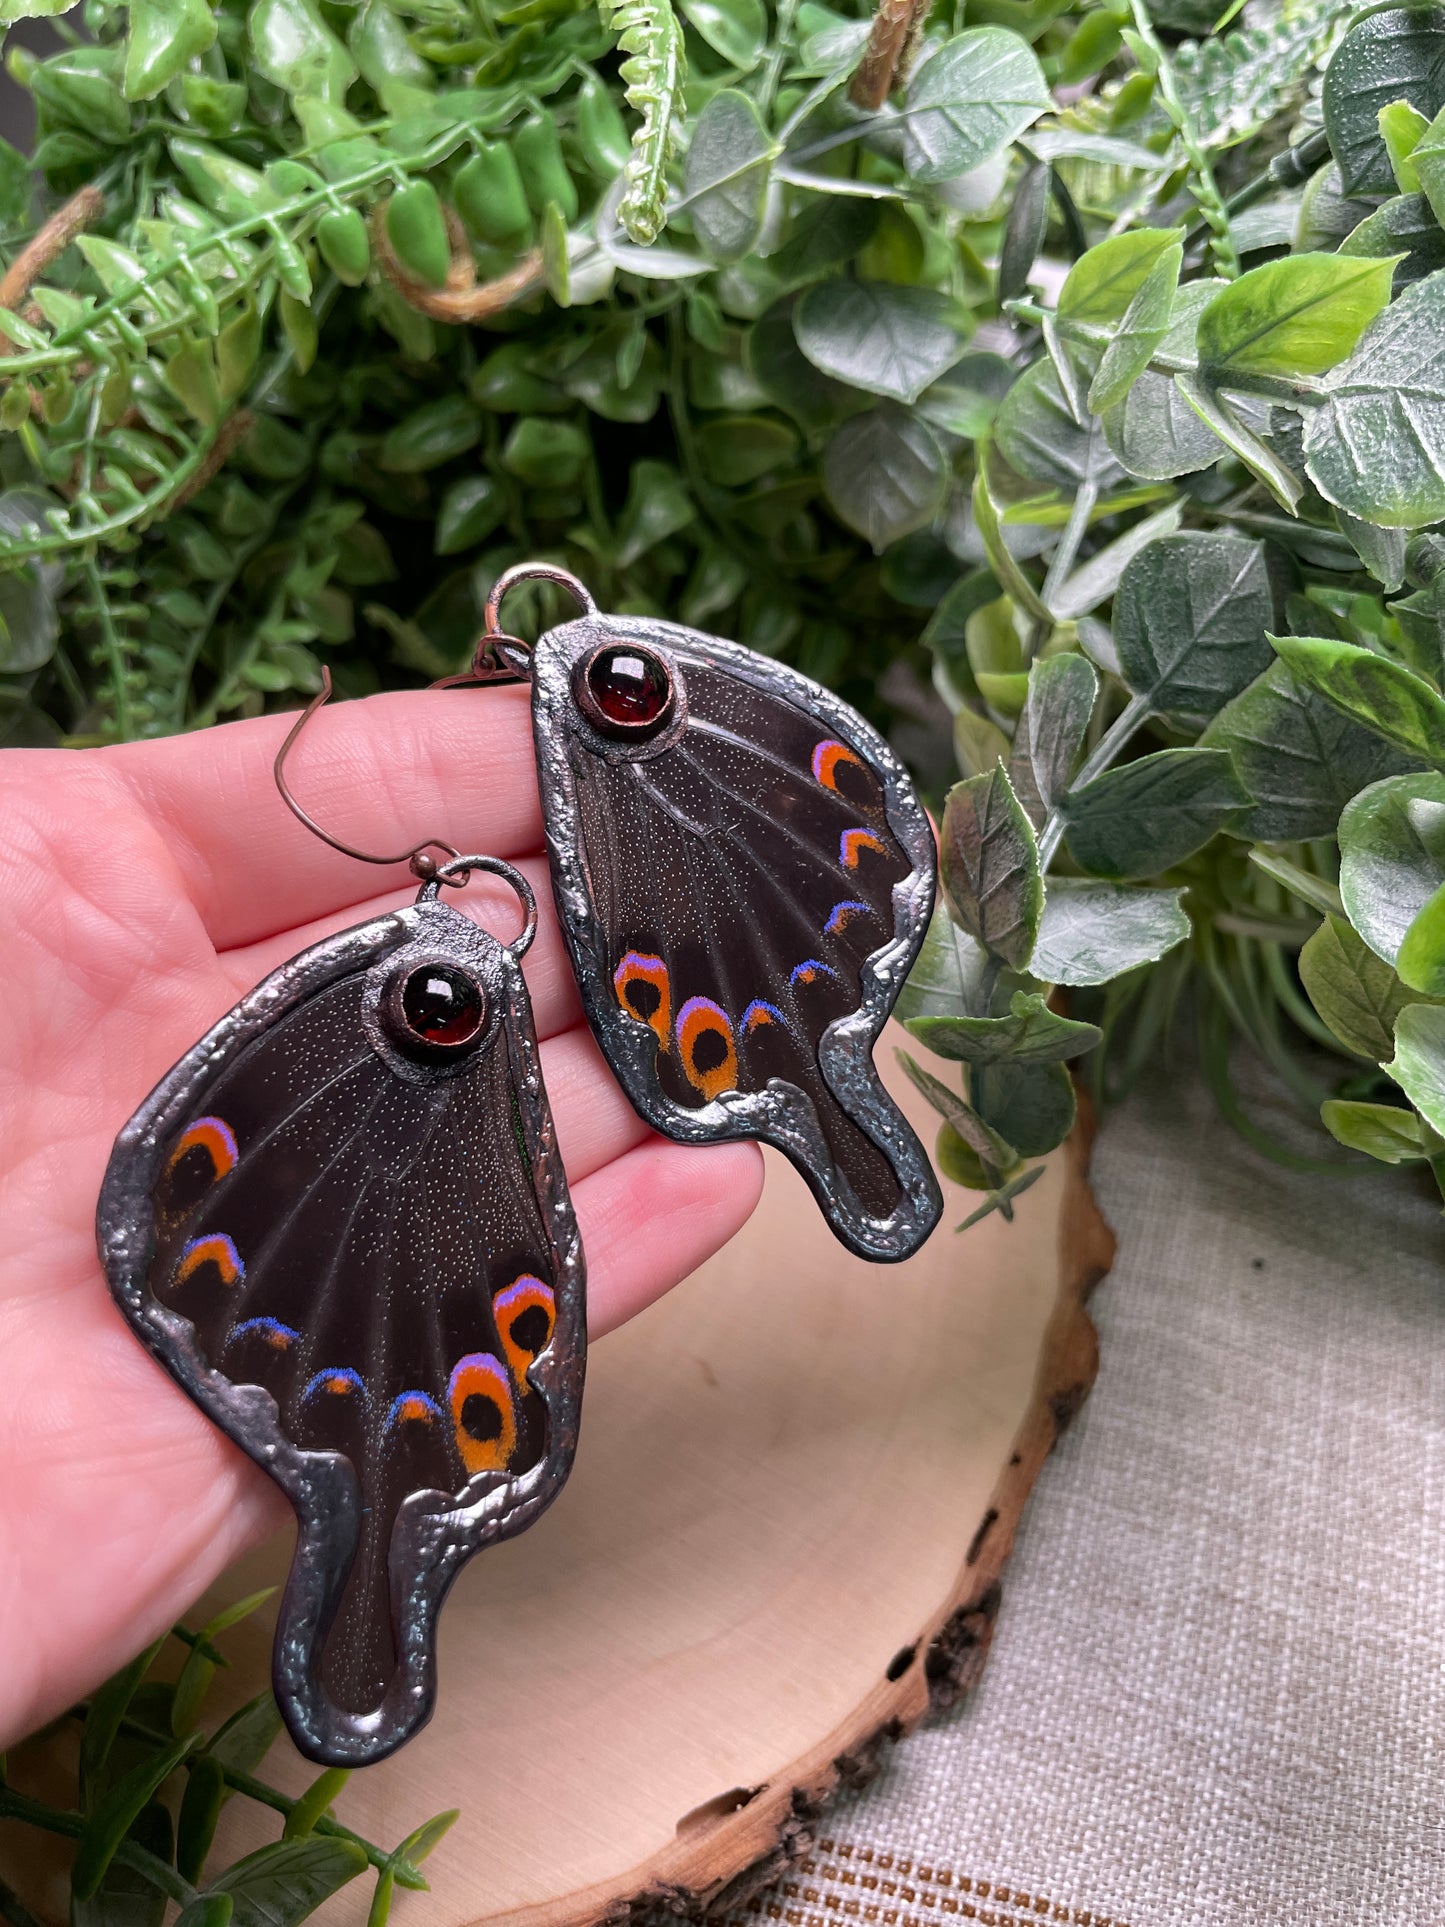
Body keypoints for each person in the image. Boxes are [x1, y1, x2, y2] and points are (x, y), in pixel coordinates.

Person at [0, 681, 763, 1750]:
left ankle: (374, 1567)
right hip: (301, 1275)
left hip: (387, 1279)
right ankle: (372, 1570)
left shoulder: (448, 989)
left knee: (388, 1456)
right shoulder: (400, 992)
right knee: (377, 1461)